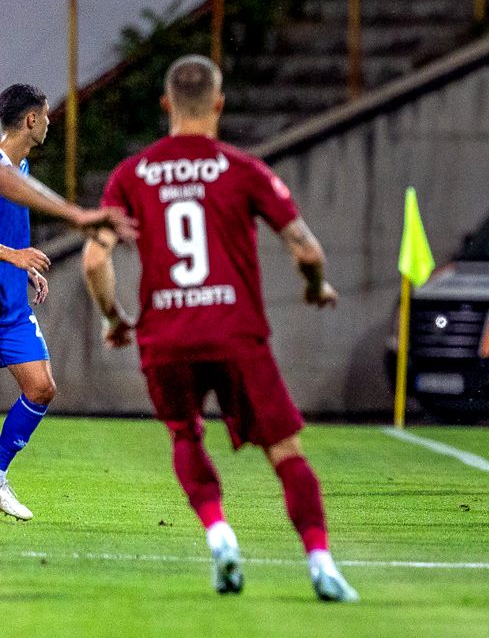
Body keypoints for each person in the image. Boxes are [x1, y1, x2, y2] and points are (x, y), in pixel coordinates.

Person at [81, 55, 356, 602]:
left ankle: (219, 533)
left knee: (186, 434)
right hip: (235, 333)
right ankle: (321, 562)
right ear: (219, 104)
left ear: (166, 104)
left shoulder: (131, 175)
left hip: (166, 335)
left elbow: (93, 261)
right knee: (285, 450)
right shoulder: (241, 169)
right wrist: (315, 286)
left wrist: (114, 318)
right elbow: (306, 249)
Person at [0, 83, 136, 521]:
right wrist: (13, 255)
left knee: (41, 387)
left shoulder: (20, 168)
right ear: (31, 120)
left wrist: (23, 267)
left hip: (11, 307)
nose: (49, 123)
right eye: (45, 115)